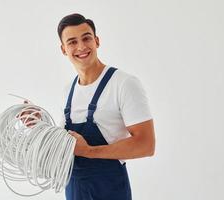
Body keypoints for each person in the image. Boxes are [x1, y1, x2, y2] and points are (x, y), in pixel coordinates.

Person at [58, 13, 156, 200]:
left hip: (109, 191)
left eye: (86, 38)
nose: (81, 47)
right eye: (72, 42)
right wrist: (38, 124)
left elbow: (146, 145)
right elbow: (64, 146)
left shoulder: (124, 83)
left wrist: (88, 151)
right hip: (74, 190)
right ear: (63, 49)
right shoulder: (68, 91)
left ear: (97, 41)